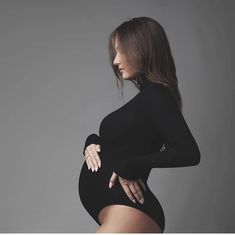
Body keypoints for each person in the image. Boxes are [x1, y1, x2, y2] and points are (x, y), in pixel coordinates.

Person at [78, 16, 201, 233]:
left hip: (130, 212)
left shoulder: (157, 94)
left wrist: (130, 166)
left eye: (120, 51)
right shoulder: (150, 97)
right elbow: (122, 141)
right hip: (122, 212)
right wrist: (92, 142)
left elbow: (189, 152)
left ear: (142, 48)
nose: (115, 61)